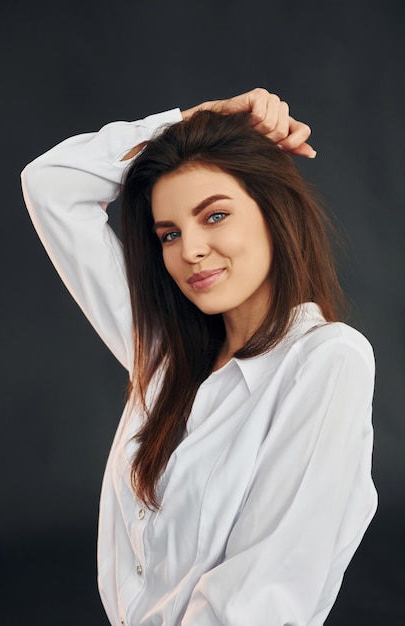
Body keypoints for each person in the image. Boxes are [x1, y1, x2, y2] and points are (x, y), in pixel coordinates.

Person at [21, 88, 377, 626]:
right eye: (169, 233)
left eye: (214, 217)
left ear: (273, 212)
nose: (189, 250)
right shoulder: (166, 358)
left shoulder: (327, 362)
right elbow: (49, 186)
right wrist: (192, 120)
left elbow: (264, 594)